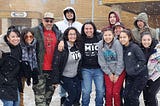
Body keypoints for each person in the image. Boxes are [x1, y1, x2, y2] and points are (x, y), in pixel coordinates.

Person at [32, 12, 62, 106]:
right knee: (40, 100)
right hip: (40, 71)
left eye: (51, 21)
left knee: (48, 98)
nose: (49, 23)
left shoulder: (58, 33)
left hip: (52, 71)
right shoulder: (35, 31)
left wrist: (62, 41)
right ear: (42, 20)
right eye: (46, 20)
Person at [55, 6, 82, 105]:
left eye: (71, 13)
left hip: (74, 71)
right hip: (64, 71)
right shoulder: (59, 25)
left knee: (76, 94)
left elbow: (85, 34)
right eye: (67, 13)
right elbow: (57, 36)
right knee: (68, 92)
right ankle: (64, 101)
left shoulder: (79, 25)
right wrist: (62, 40)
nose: (69, 14)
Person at [119, 29, 148, 106]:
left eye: (124, 37)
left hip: (140, 76)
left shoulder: (134, 47)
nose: (122, 39)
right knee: (126, 96)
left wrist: (134, 69)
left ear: (129, 37)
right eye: (120, 37)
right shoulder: (121, 48)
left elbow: (142, 60)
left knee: (133, 96)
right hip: (130, 77)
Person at [98, 28, 125, 106]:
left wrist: (117, 74)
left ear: (113, 35)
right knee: (109, 92)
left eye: (109, 35)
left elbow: (121, 60)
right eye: (105, 35)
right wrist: (109, 73)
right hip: (108, 71)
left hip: (119, 71)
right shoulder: (100, 44)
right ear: (103, 36)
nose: (107, 37)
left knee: (116, 92)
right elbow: (101, 61)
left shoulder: (117, 43)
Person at [81, 21, 105, 106]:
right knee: (86, 91)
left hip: (98, 69)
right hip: (85, 69)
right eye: (86, 29)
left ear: (94, 29)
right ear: (83, 30)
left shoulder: (99, 37)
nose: (88, 30)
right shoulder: (80, 39)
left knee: (100, 90)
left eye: (90, 28)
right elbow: (67, 36)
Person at [0, 26, 22, 106]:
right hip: (3, 83)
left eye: (17, 36)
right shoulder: (2, 49)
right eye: (13, 37)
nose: (16, 39)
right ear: (8, 38)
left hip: (13, 82)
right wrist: (3, 80)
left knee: (16, 103)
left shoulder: (19, 48)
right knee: (9, 103)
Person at [20, 28, 39, 106]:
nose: (28, 38)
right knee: (20, 92)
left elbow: (36, 58)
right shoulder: (19, 45)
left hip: (31, 69)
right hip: (20, 72)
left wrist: (34, 70)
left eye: (31, 36)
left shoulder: (35, 45)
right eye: (26, 36)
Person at [140, 31, 160, 106]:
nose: (146, 42)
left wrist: (154, 74)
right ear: (141, 40)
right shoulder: (139, 49)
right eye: (144, 40)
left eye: (148, 40)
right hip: (145, 76)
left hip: (156, 76)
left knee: (151, 94)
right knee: (146, 96)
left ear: (151, 40)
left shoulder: (157, 49)